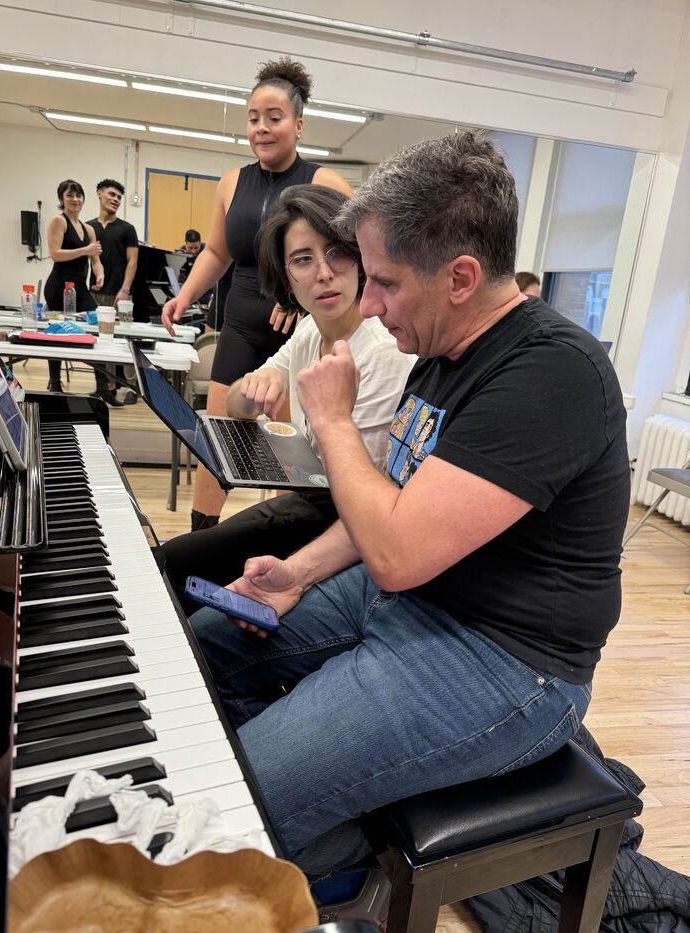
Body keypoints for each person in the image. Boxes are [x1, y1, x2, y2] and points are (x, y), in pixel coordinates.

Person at [188, 131, 631, 876]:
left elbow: (397, 554)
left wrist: (330, 419)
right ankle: (304, 821)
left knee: (247, 796)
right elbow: (391, 505)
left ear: (460, 276)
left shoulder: (552, 373)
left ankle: (338, 876)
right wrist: (298, 574)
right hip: (417, 599)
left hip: (506, 661)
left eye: (384, 281)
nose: (367, 302)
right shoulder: (437, 350)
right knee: (210, 642)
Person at [163, 184, 415, 612]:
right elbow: (238, 408)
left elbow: (366, 499)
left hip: (343, 526)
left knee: (179, 570)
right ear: (285, 276)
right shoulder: (310, 331)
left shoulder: (381, 351)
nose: (323, 273)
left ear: (360, 259)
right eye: (303, 259)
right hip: (310, 500)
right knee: (172, 561)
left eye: (337, 252)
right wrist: (253, 387)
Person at [161, 57, 354, 533]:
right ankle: (200, 535)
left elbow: (357, 253)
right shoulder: (232, 183)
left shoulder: (324, 182)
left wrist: (301, 296)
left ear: (298, 124)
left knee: (292, 453)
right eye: (253, 119)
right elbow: (217, 251)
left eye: (274, 117)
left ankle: (295, 537)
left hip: (300, 333)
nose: (262, 128)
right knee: (218, 441)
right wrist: (184, 297)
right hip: (242, 325)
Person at [44, 180, 103, 391]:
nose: (75, 200)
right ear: (62, 198)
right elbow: (55, 254)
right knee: (58, 330)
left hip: (80, 286)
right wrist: (85, 250)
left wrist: (100, 274)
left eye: (78, 195)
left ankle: (103, 386)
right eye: (70, 195)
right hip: (58, 284)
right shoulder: (58, 221)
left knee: (97, 326)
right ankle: (55, 381)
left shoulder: (89, 228)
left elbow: (95, 258)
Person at [87, 178, 139, 406]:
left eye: (119, 197)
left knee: (123, 342)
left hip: (120, 295)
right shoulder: (89, 227)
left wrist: (125, 290)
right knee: (98, 341)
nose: (116, 199)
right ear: (99, 194)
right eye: (112, 194)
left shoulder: (127, 229)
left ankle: (131, 387)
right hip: (95, 293)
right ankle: (105, 387)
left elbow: (132, 262)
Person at [177, 228, 214, 307]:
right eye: (190, 248)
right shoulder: (181, 252)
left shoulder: (207, 251)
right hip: (190, 291)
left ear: (200, 243)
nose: (193, 251)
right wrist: (182, 257)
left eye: (196, 248)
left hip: (207, 290)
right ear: (186, 244)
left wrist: (193, 257)